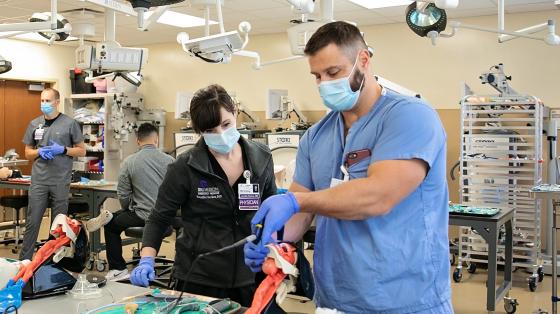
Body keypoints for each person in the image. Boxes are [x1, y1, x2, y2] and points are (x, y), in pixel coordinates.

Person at [244, 21, 452, 313]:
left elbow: (377, 197)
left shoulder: (410, 118)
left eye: (333, 72)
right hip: (335, 300)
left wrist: (294, 201)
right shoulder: (316, 136)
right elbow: (301, 215)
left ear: (363, 61)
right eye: (317, 76)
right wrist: (272, 240)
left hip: (405, 299)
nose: (324, 84)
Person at [130, 84, 277, 307]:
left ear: (235, 112)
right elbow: (159, 218)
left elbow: (271, 211)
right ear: (198, 131)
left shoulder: (261, 157)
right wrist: (147, 258)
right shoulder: (185, 166)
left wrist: (271, 248)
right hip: (198, 277)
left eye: (226, 124)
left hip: (251, 275)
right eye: (210, 131)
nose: (221, 135)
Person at [84, 123, 174, 281]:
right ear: (156, 140)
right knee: (122, 215)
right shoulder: (171, 161)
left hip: (141, 214)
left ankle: (118, 268)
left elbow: (123, 195)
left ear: (138, 141)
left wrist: (127, 208)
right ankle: (111, 215)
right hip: (166, 217)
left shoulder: (129, 162)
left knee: (111, 225)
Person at [20, 88, 86, 261]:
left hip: (60, 180)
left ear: (57, 102)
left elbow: (81, 151)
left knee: (58, 225)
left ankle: (52, 261)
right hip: (39, 180)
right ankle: (24, 261)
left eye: (48, 101)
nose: (44, 104)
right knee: (33, 222)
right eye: (42, 101)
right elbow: (27, 152)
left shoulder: (69, 124)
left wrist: (63, 149)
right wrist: (39, 152)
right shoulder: (35, 124)